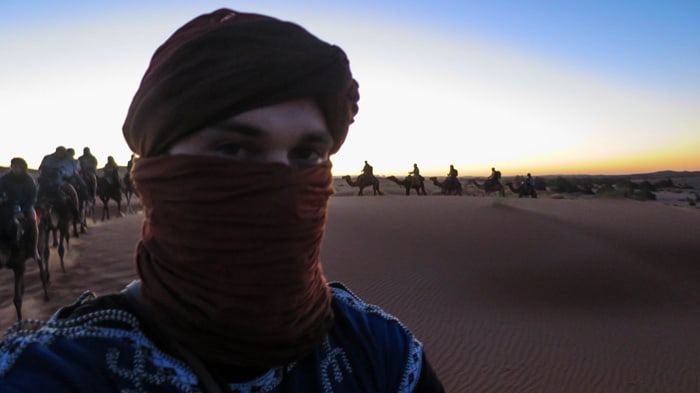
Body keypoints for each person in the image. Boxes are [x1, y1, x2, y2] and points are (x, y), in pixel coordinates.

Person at [0, 8, 445, 393]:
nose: (279, 187)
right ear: (155, 170)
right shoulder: (54, 370)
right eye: (233, 149)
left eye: (306, 154)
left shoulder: (383, 354)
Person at [0, 157, 40, 261]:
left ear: (23, 168)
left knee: (33, 221)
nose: (16, 169)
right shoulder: (4, 178)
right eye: (14, 166)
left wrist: (24, 210)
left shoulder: (29, 180)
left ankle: (34, 250)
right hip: (7, 205)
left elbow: (32, 197)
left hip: (25, 206)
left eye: (19, 167)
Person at [37, 146, 80, 217]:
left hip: (60, 182)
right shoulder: (48, 158)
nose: (61, 153)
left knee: (73, 193)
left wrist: (65, 174)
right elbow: (41, 167)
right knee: (38, 197)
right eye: (59, 152)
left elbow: (70, 171)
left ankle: (76, 212)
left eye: (62, 152)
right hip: (46, 182)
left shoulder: (68, 160)